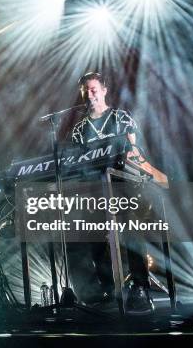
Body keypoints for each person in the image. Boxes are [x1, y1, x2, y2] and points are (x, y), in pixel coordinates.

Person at [70, 71, 154, 315]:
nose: (90, 94)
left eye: (94, 89)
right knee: (92, 239)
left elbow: (135, 150)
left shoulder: (121, 117)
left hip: (122, 185)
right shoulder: (79, 129)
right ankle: (109, 289)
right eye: (86, 90)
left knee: (132, 234)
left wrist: (135, 161)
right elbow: (76, 163)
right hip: (95, 190)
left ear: (104, 90)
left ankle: (140, 287)